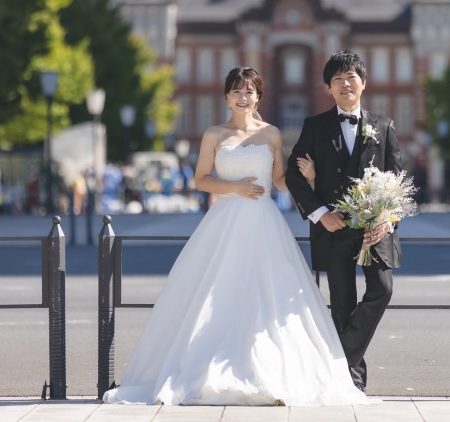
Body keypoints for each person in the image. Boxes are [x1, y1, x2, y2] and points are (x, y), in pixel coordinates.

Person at [103, 67, 369, 406]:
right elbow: (201, 179)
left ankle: (270, 371)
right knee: (215, 291)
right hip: (225, 220)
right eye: (237, 92)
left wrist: (312, 179)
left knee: (267, 293)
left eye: (250, 92)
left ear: (259, 96)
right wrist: (234, 188)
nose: (243, 98)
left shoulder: (271, 134)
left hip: (263, 222)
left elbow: (281, 181)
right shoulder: (214, 134)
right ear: (227, 96)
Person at [285, 49, 403, 392]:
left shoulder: (384, 125)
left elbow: (397, 179)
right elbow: (293, 175)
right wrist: (322, 215)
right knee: (341, 306)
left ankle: (339, 359)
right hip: (334, 231)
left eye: (351, 77)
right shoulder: (315, 126)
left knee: (382, 289)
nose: (345, 83)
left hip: (373, 231)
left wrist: (388, 221)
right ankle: (352, 384)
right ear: (328, 88)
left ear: (363, 83)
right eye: (337, 79)